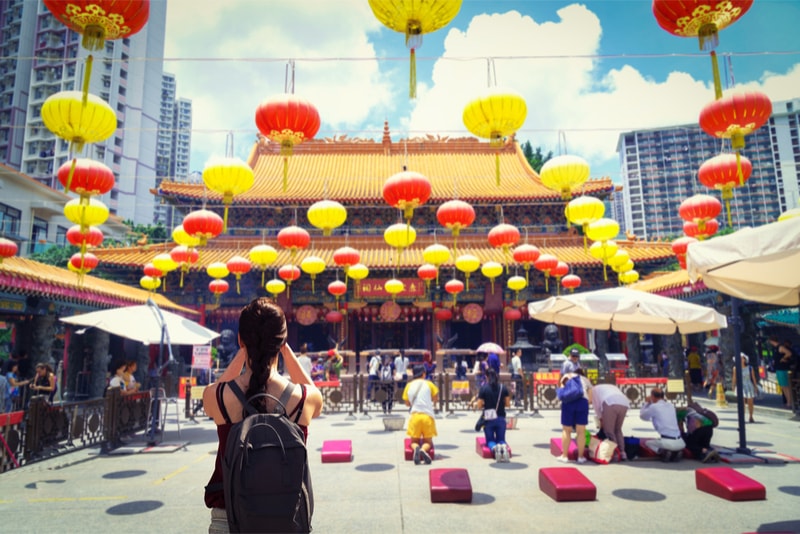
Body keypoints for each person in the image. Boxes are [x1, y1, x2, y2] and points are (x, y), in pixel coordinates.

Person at [203, 297, 322, 533]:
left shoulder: (218, 396)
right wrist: (286, 353)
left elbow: (215, 390)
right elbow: (317, 396)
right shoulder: (304, 398)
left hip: (229, 518)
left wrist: (244, 350)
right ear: (282, 342)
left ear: (240, 340)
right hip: (288, 519)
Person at [402, 364, 439, 465]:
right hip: (428, 416)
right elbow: (436, 398)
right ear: (423, 374)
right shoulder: (429, 384)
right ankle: (423, 450)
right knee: (428, 442)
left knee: (413, 441)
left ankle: (417, 448)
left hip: (415, 416)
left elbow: (406, 403)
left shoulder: (409, 385)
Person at [639, 387, 685, 462]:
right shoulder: (671, 406)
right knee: (664, 441)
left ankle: (663, 452)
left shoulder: (654, 406)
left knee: (647, 443)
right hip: (680, 441)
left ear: (653, 397)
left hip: (667, 441)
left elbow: (643, 416)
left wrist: (647, 403)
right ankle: (675, 452)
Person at [557, 368, 592, 464]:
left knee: (566, 430)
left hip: (568, 403)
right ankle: (580, 457)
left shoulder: (566, 376)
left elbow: (562, 393)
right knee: (581, 431)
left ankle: (564, 456)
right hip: (582, 402)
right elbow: (590, 399)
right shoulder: (585, 380)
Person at [476, 367, 511, 462]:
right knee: (501, 439)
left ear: (487, 377)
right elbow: (508, 404)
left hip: (489, 419)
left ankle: (495, 449)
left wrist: (485, 403)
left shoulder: (484, 389)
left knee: (490, 440)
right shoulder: (503, 388)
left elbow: (479, 405)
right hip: (501, 418)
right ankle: (503, 447)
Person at [590, 383, 630, 460]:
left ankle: (615, 452)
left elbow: (598, 410)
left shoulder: (593, 391)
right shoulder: (607, 386)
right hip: (624, 403)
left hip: (610, 402)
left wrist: (601, 422)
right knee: (617, 429)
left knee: (609, 431)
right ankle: (622, 452)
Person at [732, 353, 758, 423]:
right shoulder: (735, 368)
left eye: (742, 358)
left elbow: (753, 378)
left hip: (749, 385)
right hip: (741, 386)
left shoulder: (750, 368)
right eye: (739, 358)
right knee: (742, 402)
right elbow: (734, 378)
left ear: (745, 359)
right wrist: (733, 386)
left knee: (750, 402)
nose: (741, 359)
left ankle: (751, 416)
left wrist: (755, 387)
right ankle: (742, 417)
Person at [769, 338, 795, 408]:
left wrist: (783, 358)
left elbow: (789, 353)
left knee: (786, 386)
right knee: (783, 386)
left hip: (782, 368)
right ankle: (788, 401)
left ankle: (789, 401)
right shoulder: (776, 348)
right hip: (779, 368)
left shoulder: (780, 347)